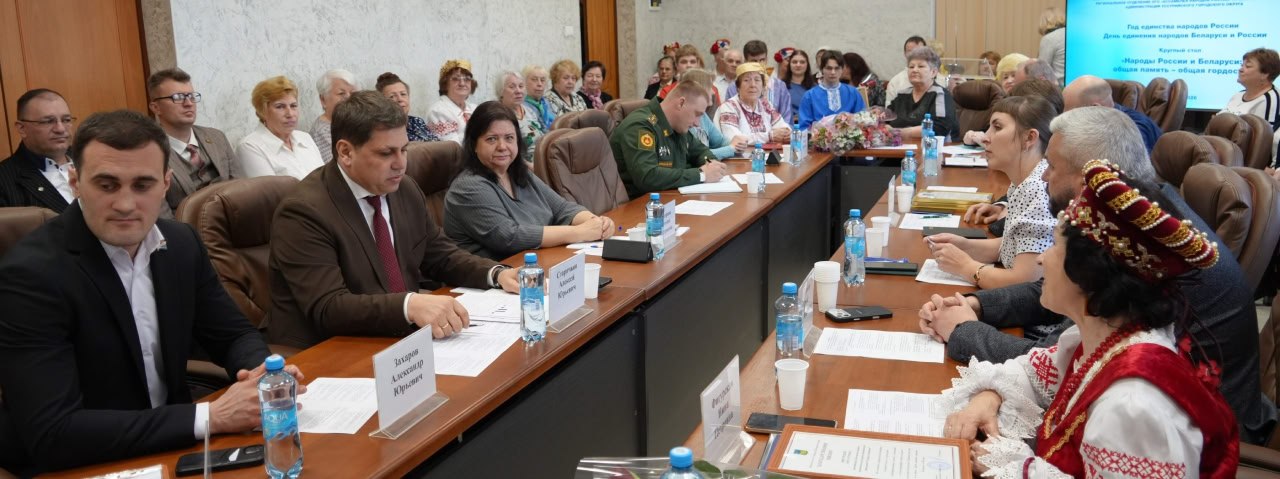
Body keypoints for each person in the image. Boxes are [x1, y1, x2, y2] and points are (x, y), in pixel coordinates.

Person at [920, 106, 1276, 445]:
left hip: (1190, 435)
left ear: (1090, 175)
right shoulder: (1134, 218)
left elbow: (1063, 357)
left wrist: (963, 329)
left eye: (1052, 166)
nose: (1043, 176)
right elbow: (1052, 317)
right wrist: (976, 304)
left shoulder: (1147, 249)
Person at [0, 110, 299, 474]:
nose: (126, 204)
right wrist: (212, 415)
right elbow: (53, 433)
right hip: (79, 462)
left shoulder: (181, 243)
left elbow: (232, 333)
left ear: (166, 183)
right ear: (76, 183)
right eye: (107, 185)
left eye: (143, 185)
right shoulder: (30, 275)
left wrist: (262, 377)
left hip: (171, 446)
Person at [936, 159, 1237, 477]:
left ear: (1087, 275)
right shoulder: (1101, 336)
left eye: (1056, 247)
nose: (1042, 258)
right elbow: (1031, 372)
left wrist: (1015, 466)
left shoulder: (1133, 406)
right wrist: (989, 395)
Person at [266, 91, 519, 350]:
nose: (401, 164)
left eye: (404, 150)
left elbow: (441, 256)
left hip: (399, 339)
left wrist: (497, 274)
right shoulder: (304, 211)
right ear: (346, 152)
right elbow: (329, 307)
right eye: (386, 153)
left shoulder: (404, 189)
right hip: (327, 350)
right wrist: (409, 306)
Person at [444, 101, 615, 259]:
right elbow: (509, 236)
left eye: (509, 138)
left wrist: (596, 223)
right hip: (498, 274)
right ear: (474, 144)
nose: (502, 146)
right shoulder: (468, 186)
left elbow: (562, 208)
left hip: (538, 262)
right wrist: (580, 232)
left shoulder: (518, 172)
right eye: (491, 139)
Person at [925, 96, 1056, 290]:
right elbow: (1014, 246)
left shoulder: (1038, 188)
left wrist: (966, 267)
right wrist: (966, 246)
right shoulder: (1024, 182)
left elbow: (1025, 283)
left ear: (1029, 138)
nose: (985, 137)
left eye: (997, 127)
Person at [610, 79, 728, 199]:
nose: (697, 123)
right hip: (641, 204)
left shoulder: (678, 125)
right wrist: (701, 175)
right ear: (681, 103)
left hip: (671, 197)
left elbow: (701, 151)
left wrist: (711, 164)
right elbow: (648, 177)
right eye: (697, 114)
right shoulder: (640, 126)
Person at [147, 69, 236, 213]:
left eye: (191, 96)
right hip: (185, 224)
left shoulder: (217, 137)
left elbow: (241, 186)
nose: (188, 103)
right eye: (178, 97)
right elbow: (161, 213)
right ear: (156, 108)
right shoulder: (149, 151)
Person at [233, 75, 324, 179]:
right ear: (262, 111)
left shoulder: (305, 138)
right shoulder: (250, 147)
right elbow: (269, 189)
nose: (290, 114)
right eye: (280, 107)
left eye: (293, 106)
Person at [0, 89, 76, 212]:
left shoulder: (91, 159)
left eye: (66, 120)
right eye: (48, 121)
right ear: (22, 128)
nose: (61, 129)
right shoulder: (4, 181)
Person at [1063, 75, 1161, 152]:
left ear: (1095, 109)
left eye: (1071, 115)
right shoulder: (1099, 127)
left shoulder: (1133, 133)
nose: (1067, 121)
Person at [1220, 47, 1280, 161]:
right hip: (1224, 150)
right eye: (1242, 65)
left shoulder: (1270, 100)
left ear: (1265, 74)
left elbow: (1262, 143)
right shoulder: (1238, 95)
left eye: (1247, 66)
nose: (1240, 69)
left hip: (1241, 159)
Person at [887, 47, 957, 140]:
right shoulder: (902, 94)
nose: (914, 70)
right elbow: (888, 118)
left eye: (920, 66)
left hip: (932, 146)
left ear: (933, 72)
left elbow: (940, 127)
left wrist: (902, 132)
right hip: (900, 145)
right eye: (911, 67)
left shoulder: (940, 94)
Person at [714, 63, 790, 145]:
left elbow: (783, 128)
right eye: (746, 80)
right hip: (739, 153)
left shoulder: (765, 105)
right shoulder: (729, 107)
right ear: (738, 87)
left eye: (757, 80)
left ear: (763, 86)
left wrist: (786, 134)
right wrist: (769, 136)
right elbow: (735, 139)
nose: (753, 85)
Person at [684, 69, 746, 159]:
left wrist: (737, 145)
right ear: (700, 89)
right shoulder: (683, 119)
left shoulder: (703, 116)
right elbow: (696, 156)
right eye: (710, 87)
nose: (713, 92)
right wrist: (731, 149)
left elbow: (720, 142)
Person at [723, 40, 793, 121]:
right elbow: (730, 116)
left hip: (777, 128)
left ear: (767, 59)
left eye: (762, 60)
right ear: (745, 62)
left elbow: (787, 118)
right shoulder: (734, 87)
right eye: (754, 61)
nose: (759, 65)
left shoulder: (779, 86)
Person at [798, 50, 867, 129]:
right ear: (822, 69)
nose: (833, 72)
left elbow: (862, 121)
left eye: (837, 68)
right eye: (829, 68)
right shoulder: (809, 96)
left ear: (842, 69)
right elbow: (803, 127)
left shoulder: (853, 93)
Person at [495, 70, 545, 161]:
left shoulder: (531, 109)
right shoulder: (498, 115)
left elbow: (545, 131)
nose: (518, 91)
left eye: (521, 86)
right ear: (501, 91)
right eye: (512, 87)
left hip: (543, 156)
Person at [310, 69, 358, 163]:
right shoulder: (323, 132)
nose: (349, 98)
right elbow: (341, 165)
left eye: (352, 93)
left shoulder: (352, 122)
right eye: (341, 93)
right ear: (323, 99)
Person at [427, 59, 478, 144]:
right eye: (455, 79)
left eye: (467, 79)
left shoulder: (475, 109)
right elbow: (453, 146)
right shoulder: (438, 111)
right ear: (445, 84)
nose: (462, 83)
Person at [376, 71, 437, 143]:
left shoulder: (417, 121)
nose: (400, 99)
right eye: (392, 96)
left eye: (403, 94)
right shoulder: (383, 130)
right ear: (382, 102)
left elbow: (437, 142)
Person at [883, 36, 927, 106]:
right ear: (905, 54)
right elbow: (889, 110)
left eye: (919, 51)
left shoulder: (940, 80)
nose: (915, 55)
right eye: (910, 52)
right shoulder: (895, 82)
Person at [778, 48, 815, 124]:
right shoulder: (780, 86)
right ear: (789, 65)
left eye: (802, 62)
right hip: (786, 126)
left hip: (809, 127)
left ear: (807, 65)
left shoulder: (815, 88)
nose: (798, 65)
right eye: (794, 62)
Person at [1037, 6, 1066, 86]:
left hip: (1060, 87)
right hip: (1078, 84)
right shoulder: (1072, 33)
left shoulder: (1049, 38)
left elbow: (1042, 69)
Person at [523, 65, 556, 129]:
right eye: (534, 80)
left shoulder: (546, 102)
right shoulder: (522, 106)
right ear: (524, 82)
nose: (539, 84)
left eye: (542, 80)